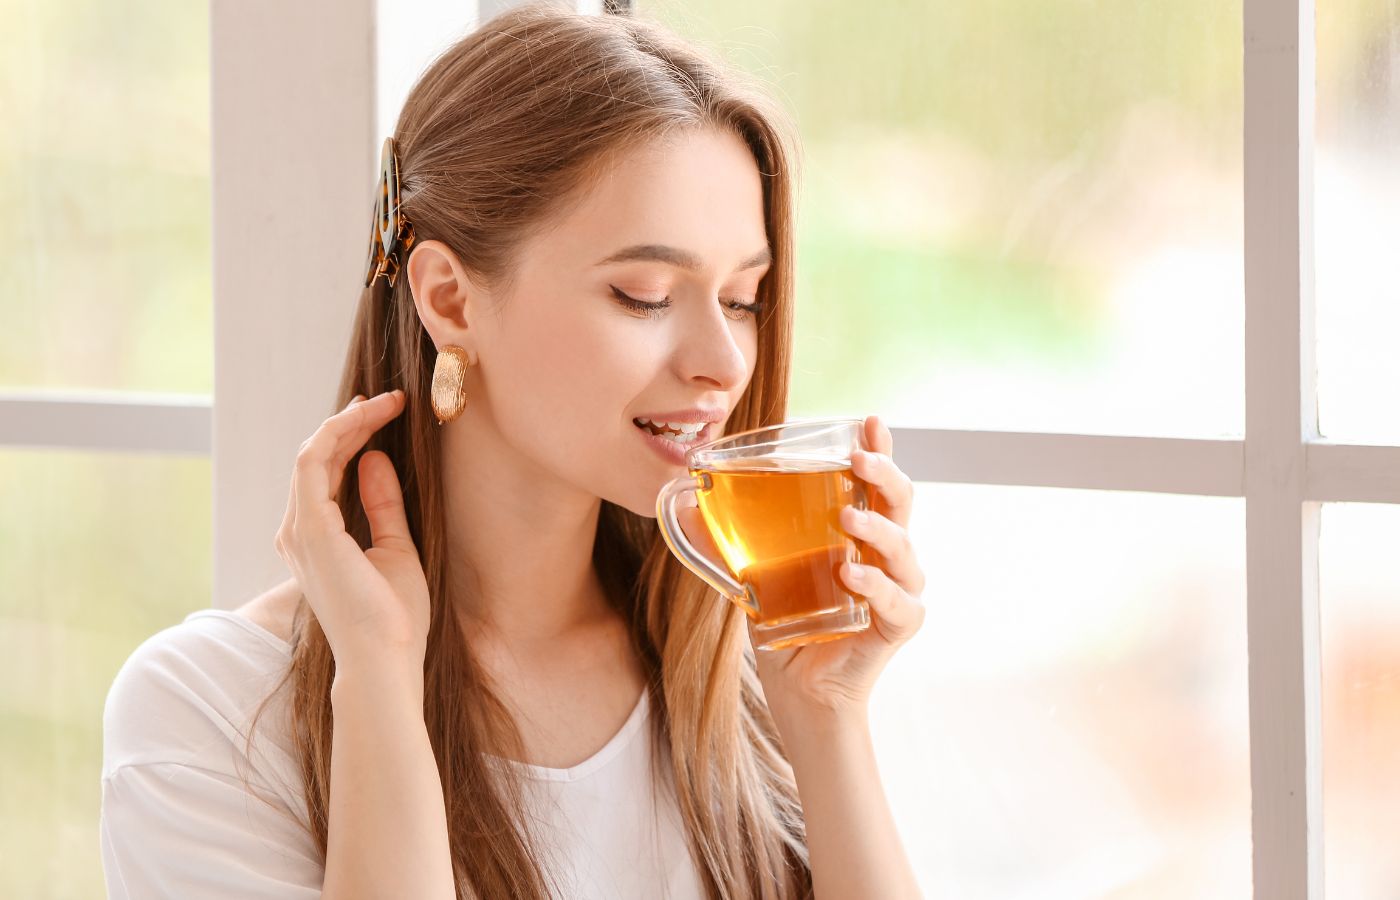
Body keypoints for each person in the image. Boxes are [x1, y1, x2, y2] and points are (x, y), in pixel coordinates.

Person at [99, 3, 927, 898]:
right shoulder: (209, 712)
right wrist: (379, 688)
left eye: (742, 299)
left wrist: (826, 719)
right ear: (451, 300)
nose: (724, 364)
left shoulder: (744, 686)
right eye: (645, 295)